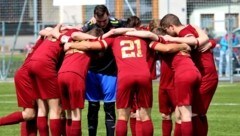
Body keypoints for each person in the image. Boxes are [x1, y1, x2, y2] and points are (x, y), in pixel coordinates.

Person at [160, 13, 218, 136]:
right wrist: (210, 41)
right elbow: (204, 39)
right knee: (192, 112)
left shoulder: (183, 32)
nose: (168, 35)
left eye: (166, 31)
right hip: (203, 75)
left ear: (171, 27)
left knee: (193, 113)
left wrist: (172, 39)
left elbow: (192, 39)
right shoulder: (190, 28)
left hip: (206, 76)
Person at [80, 5, 125, 136]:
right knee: (93, 107)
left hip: (110, 72)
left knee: (109, 108)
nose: (102, 24)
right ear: (94, 18)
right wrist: (87, 25)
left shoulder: (117, 23)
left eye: (104, 21)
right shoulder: (89, 26)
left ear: (108, 15)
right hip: (92, 72)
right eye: (99, 21)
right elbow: (75, 33)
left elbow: (133, 25)